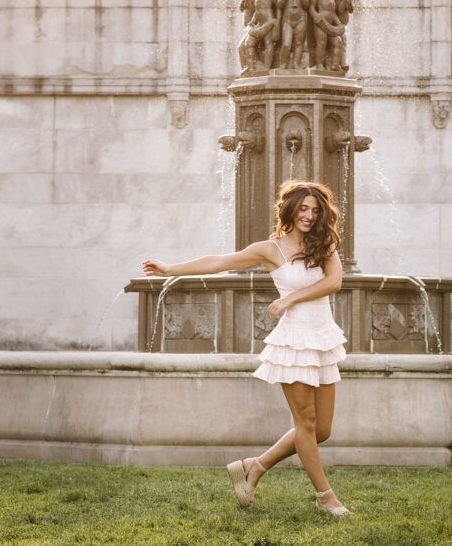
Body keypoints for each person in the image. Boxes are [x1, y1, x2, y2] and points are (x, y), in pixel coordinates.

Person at [140, 180, 351, 517]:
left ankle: (255, 466)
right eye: (303, 208)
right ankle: (325, 497)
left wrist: (291, 299)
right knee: (306, 423)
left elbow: (334, 282)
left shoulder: (323, 244)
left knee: (321, 430)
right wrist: (170, 269)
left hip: (323, 337)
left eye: (315, 210)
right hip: (294, 341)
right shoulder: (270, 249)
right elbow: (219, 262)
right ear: (290, 209)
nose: (309, 215)